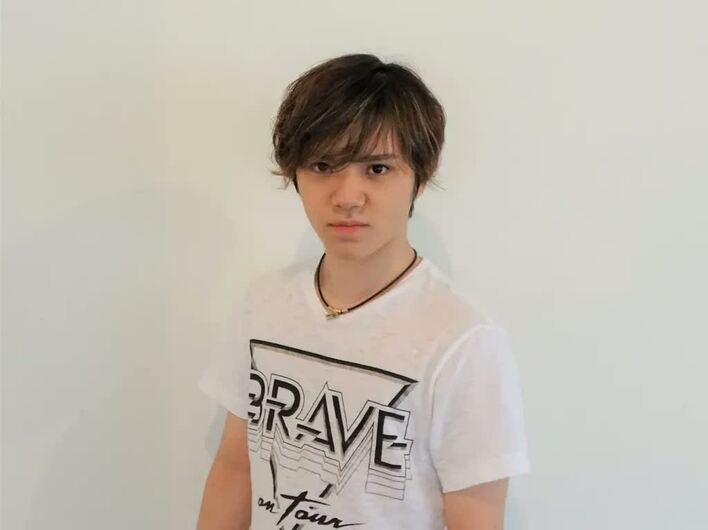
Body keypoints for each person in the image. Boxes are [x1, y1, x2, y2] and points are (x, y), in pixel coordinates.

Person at [196, 53, 530, 530]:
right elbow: (235, 467)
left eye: (377, 168)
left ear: (419, 177)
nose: (347, 197)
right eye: (323, 165)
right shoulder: (264, 304)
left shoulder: (464, 340)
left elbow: (476, 515)